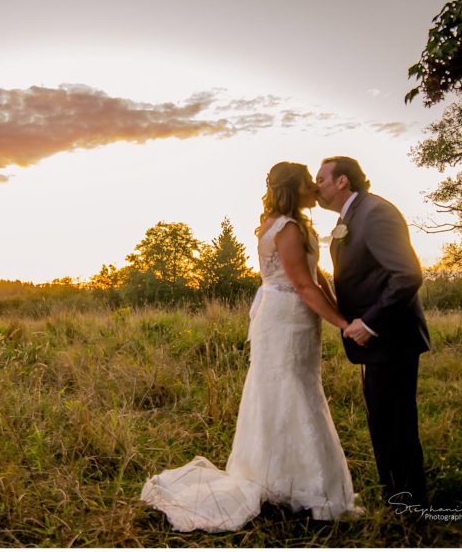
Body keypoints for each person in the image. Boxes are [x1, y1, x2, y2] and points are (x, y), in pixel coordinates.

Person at [140, 162, 361, 532]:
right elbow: (303, 285)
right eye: (308, 182)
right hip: (286, 316)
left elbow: (316, 277)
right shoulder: (287, 228)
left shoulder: (289, 223)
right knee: (287, 387)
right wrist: (343, 324)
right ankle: (299, 483)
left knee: (292, 386)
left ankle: (283, 475)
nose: (313, 187)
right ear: (296, 188)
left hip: (293, 315)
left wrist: (339, 305)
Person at [315, 156, 430, 507]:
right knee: (382, 418)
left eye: (321, 178)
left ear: (342, 182)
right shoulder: (350, 216)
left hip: (390, 336)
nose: (315, 185)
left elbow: (407, 274)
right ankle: (396, 492)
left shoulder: (375, 212)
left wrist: (370, 322)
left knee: (395, 421)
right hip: (375, 340)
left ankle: (408, 502)